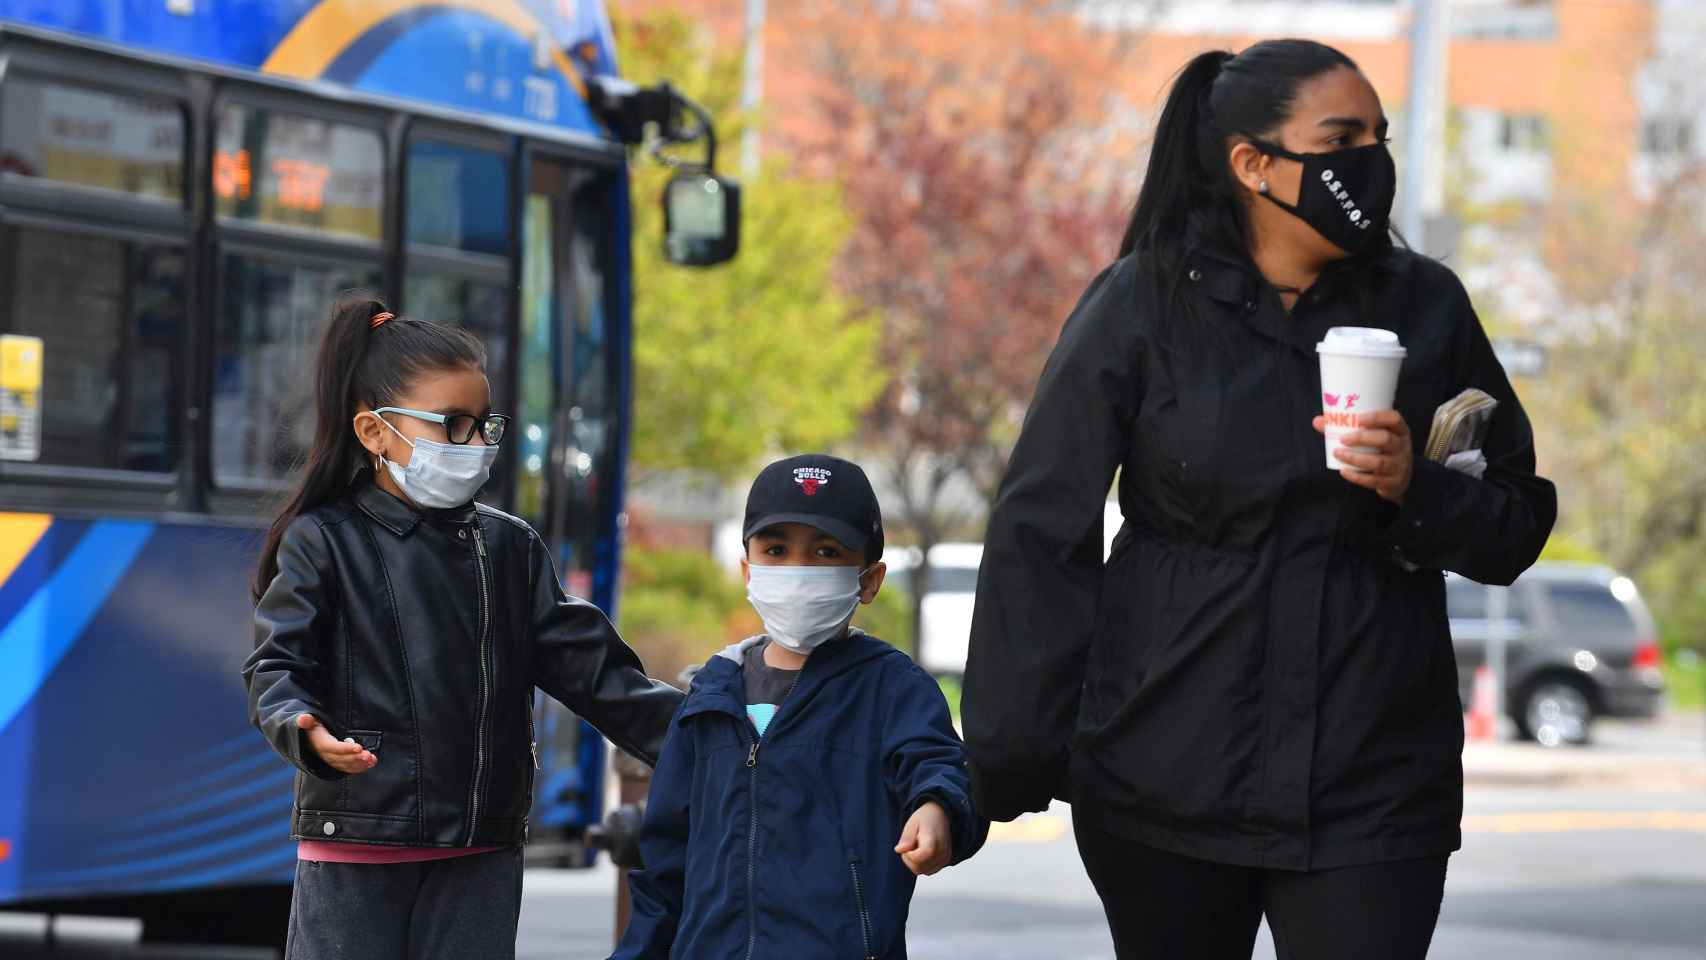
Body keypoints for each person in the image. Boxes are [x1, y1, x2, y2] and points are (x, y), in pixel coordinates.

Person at [962, 39, 1557, 960]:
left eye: (1379, 135)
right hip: (1164, 779)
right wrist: (1009, 750)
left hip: (1373, 789)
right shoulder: (1142, 303)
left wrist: (1416, 487)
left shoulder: (1427, 306)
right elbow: (1042, 525)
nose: (1372, 159)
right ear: (1254, 164)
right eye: (1341, 136)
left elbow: (1517, 521)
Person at [243, 290, 682, 960]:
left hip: (481, 849)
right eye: (452, 424)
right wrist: (298, 724)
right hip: (359, 843)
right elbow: (277, 665)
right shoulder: (322, 541)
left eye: (483, 425)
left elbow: (595, 674)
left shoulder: (509, 548)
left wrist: (707, 732)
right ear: (374, 431)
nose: (475, 445)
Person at [612, 454, 988, 959]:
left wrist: (937, 808)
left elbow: (938, 763)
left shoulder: (891, 689)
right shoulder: (710, 697)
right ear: (748, 569)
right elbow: (665, 872)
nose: (799, 569)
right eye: (777, 549)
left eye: (827, 552)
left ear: (870, 579)